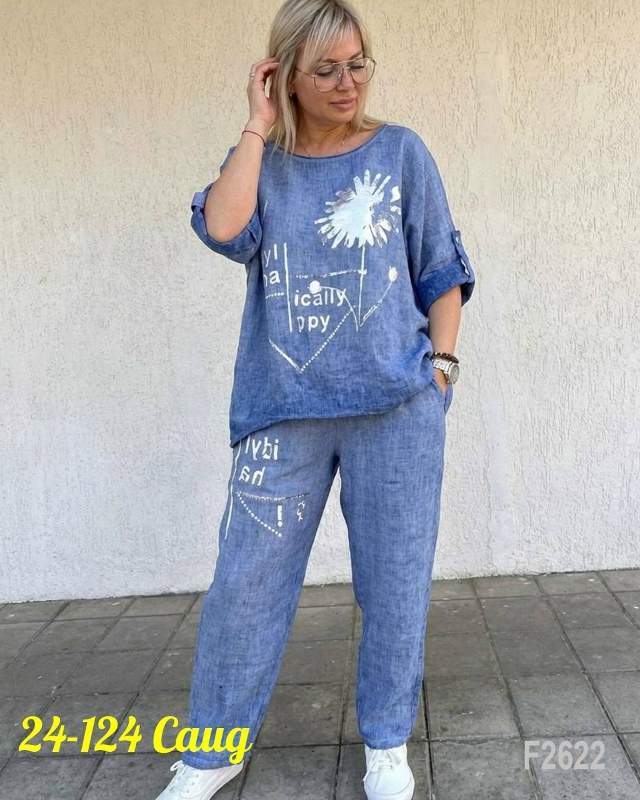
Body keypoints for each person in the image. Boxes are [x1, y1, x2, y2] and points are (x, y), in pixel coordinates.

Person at [155, 1, 475, 798]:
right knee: (245, 585)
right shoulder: (265, 163)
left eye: (357, 64)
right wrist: (257, 125)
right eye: (325, 68)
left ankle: (387, 744)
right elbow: (223, 228)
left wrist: (440, 370)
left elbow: (441, 269)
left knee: (394, 586)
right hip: (283, 410)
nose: (346, 81)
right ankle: (211, 752)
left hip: (396, 409)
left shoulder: (400, 153)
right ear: (285, 75)